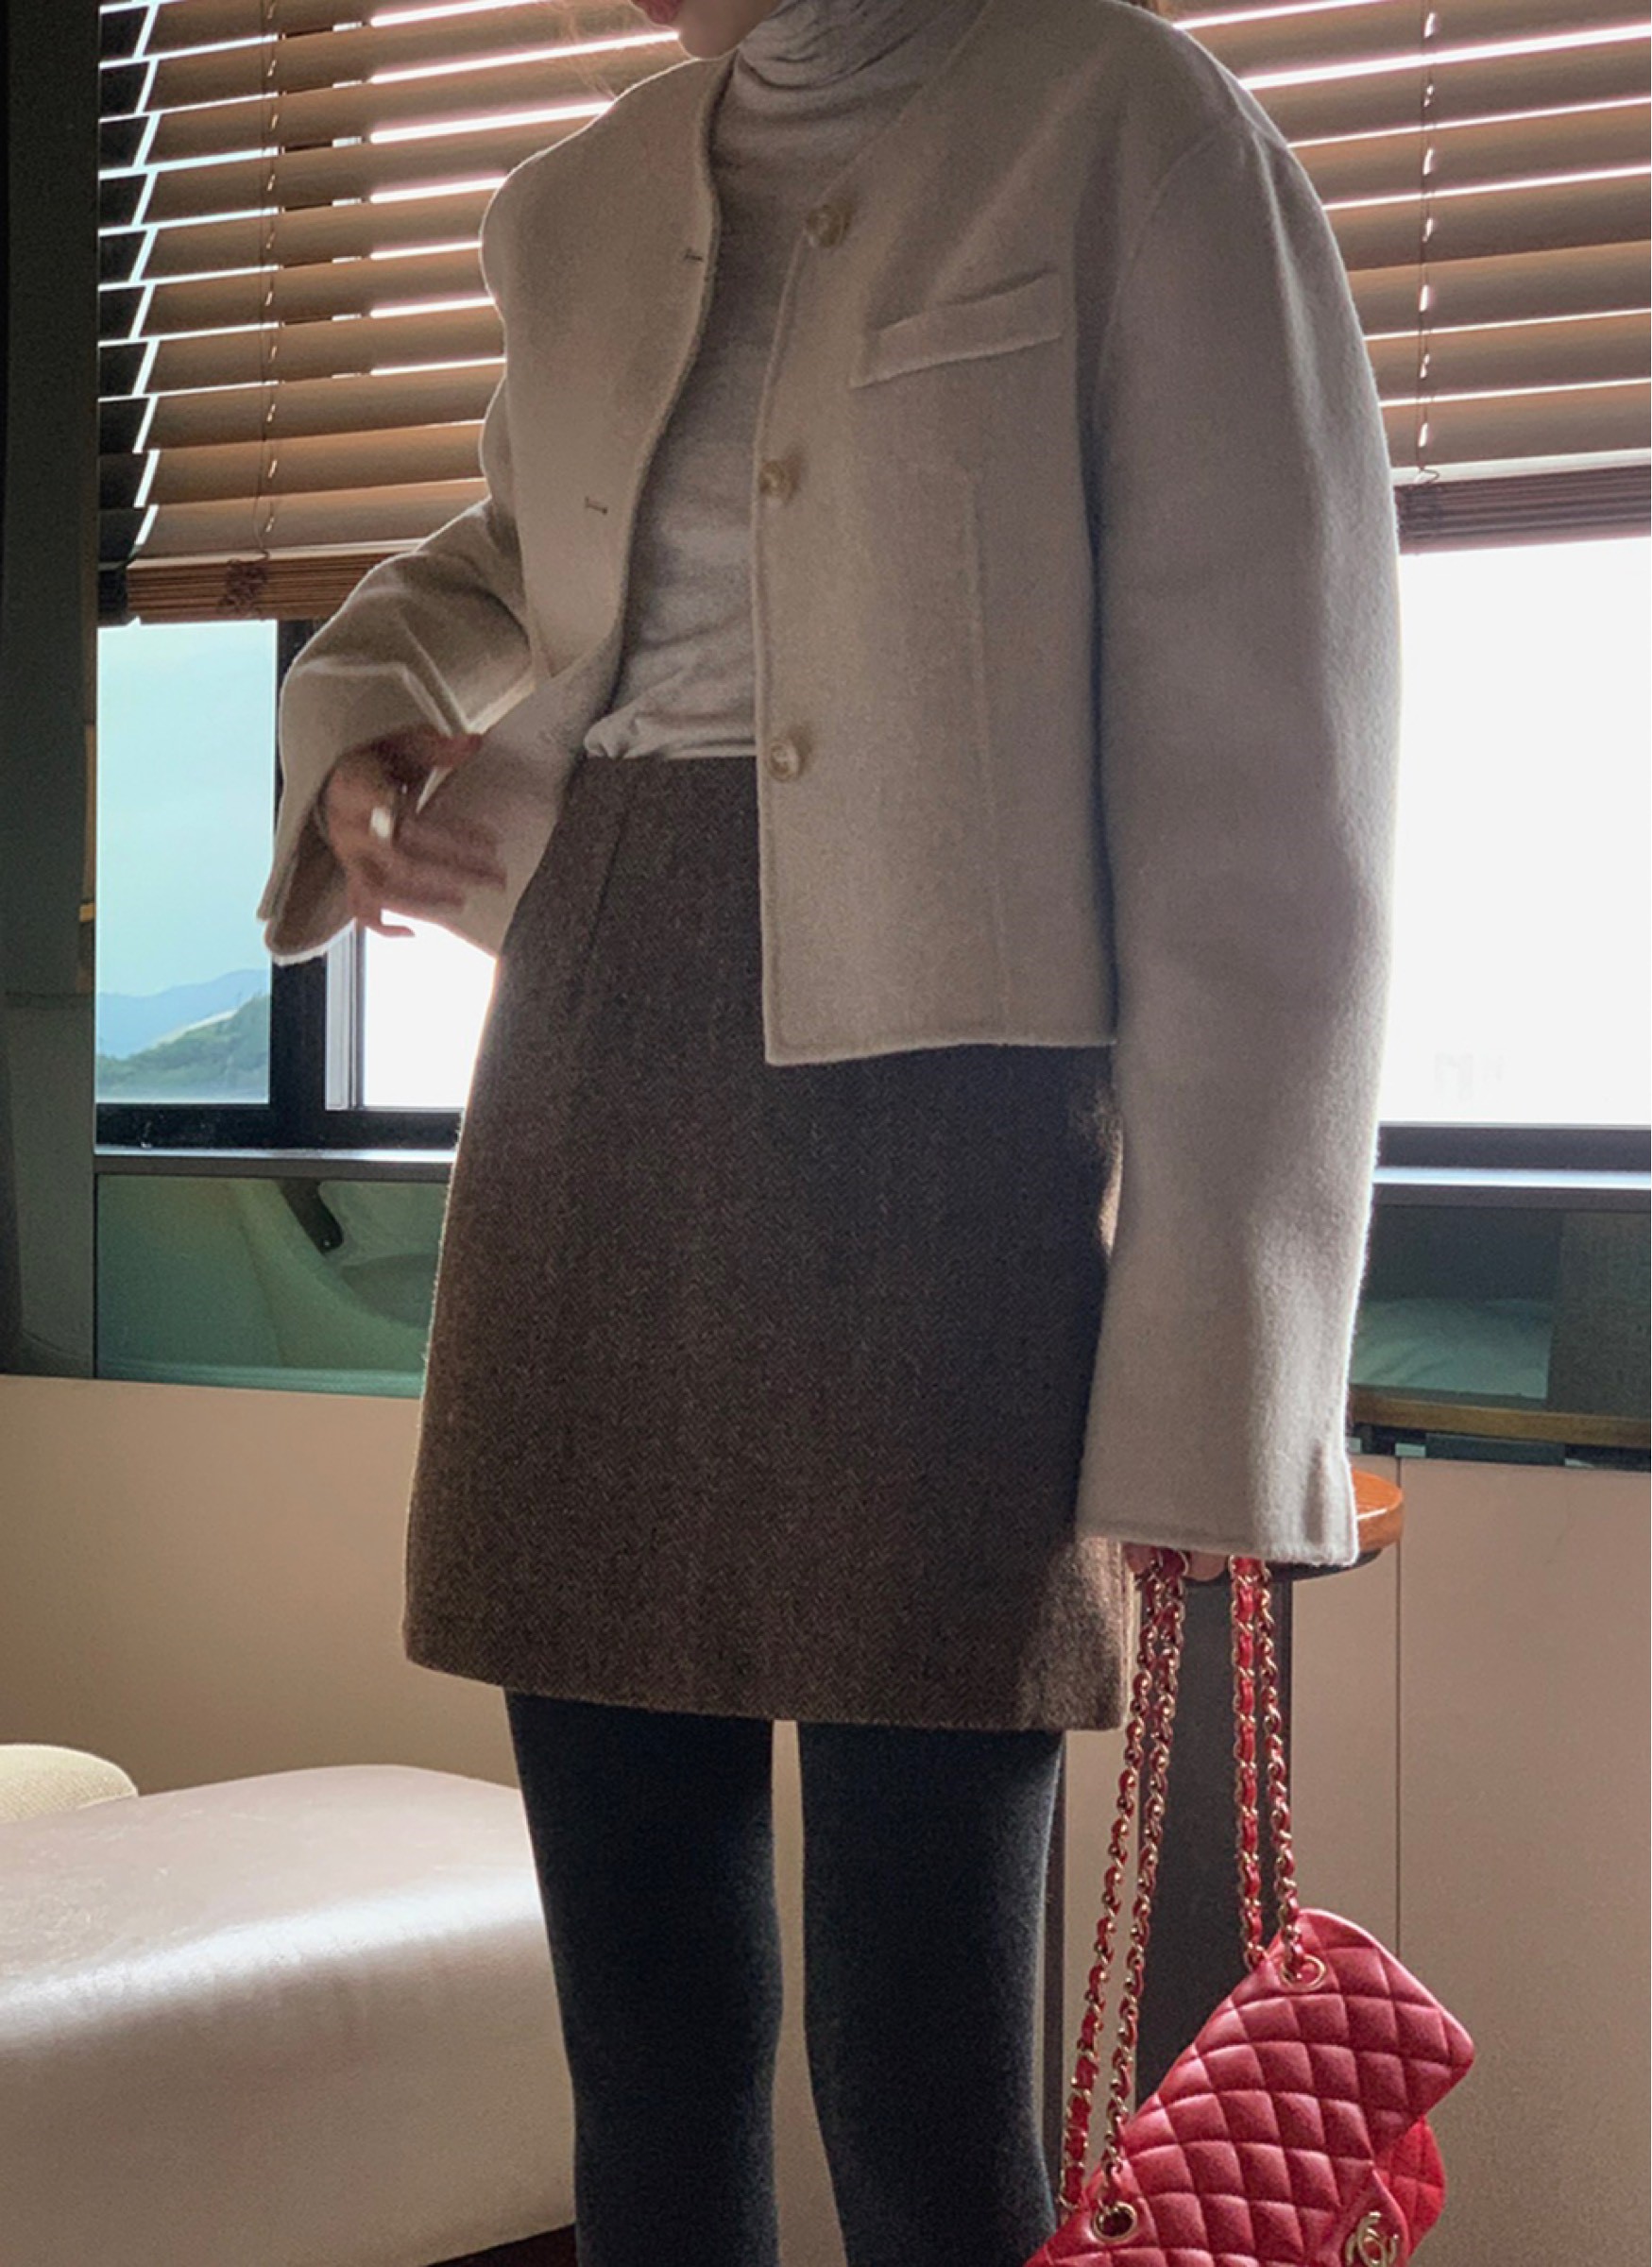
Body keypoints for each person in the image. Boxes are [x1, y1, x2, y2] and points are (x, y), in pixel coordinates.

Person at [256, 0, 1400, 2257]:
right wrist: (363, 715)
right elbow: (532, 543)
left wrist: (1220, 1381)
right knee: (643, 2041)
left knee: (923, 2071)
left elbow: (1268, 780)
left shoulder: (1120, 129)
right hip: (585, 1065)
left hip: (944, 1135)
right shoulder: (582, 197)